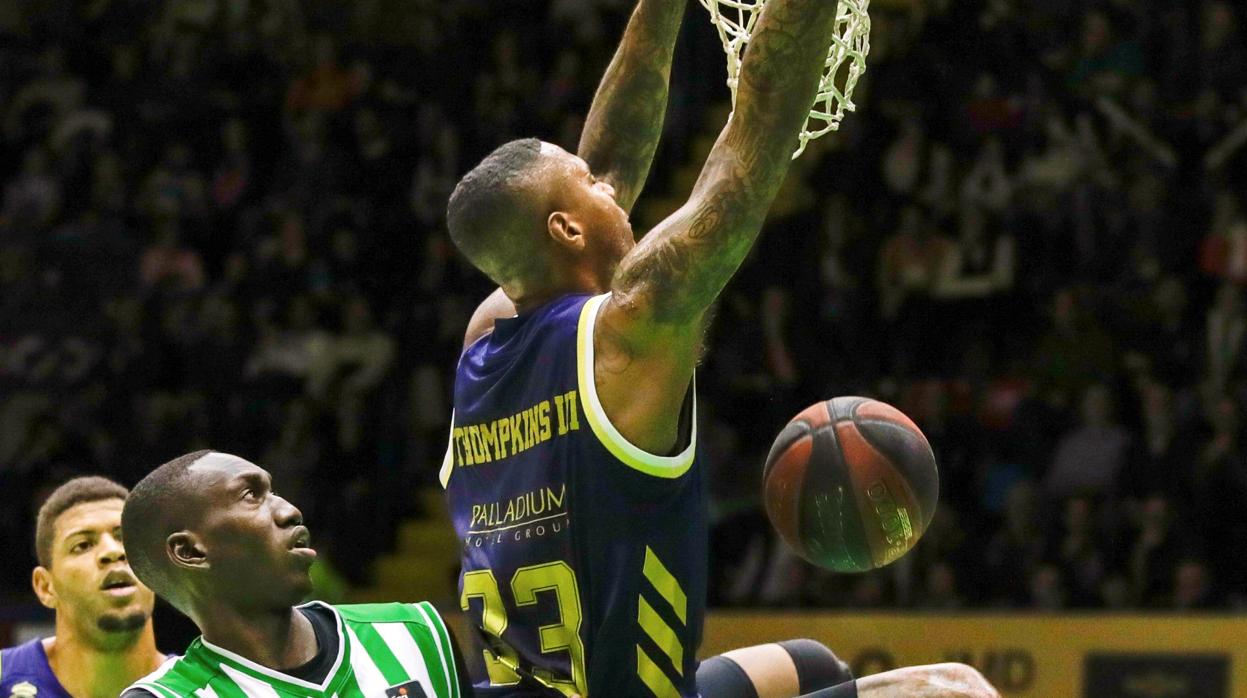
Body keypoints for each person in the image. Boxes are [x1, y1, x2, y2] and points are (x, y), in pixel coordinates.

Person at [443, 0, 999, 696]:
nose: (610, 186)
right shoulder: (632, 333)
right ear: (565, 230)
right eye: (589, 186)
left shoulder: (487, 337)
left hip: (528, 684)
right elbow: (754, 141)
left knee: (812, 666)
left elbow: (611, 160)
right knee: (954, 689)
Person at [117, 450, 471, 697]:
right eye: (250, 495)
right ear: (190, 551)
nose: (290, 510)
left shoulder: (415, 634)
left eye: (274, 491)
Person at [0, 477, 165, 698]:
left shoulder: (206, 690)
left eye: (124, 538)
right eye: (83, 545)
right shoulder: (5, 678)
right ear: (45, 587)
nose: (113, 551)